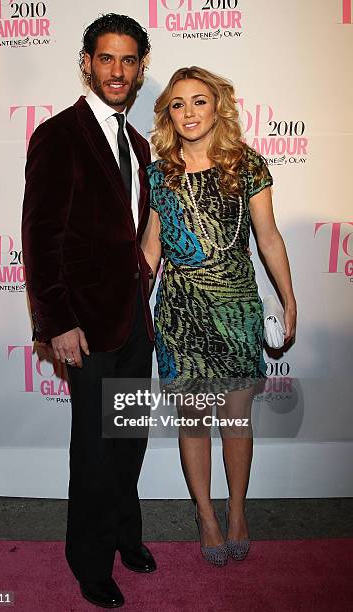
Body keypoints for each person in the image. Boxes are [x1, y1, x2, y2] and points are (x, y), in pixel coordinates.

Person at [22, 14, 156, 609]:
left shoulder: (139, 143)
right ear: (87, 62)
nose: (118, 71)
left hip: (134, 320)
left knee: (128, 439)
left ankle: (126, 535)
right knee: (95, 449)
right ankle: (89, 560)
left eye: (129, 60)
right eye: (107, 59)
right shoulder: (58, 135)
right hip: (85, 326)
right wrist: (57, 324)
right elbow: (41, 237)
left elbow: (132, 232)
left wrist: (145, 279)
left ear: (140, 68)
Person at [141, 66, 297, 566]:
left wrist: (289, 298)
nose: (189, 112)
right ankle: (205, 515)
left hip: (236, 308)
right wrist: (121, 307)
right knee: (193, 421)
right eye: (179, 104)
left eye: (199, 101)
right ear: (169, 114)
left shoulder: (247, 166)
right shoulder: (158, 173)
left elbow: (268, 237)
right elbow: (150, 249)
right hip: (180, 313)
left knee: (234, 418)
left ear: (218, 106)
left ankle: (236, 512)